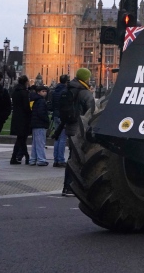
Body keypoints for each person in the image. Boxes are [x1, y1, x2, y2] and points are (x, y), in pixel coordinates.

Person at [61, 68, 97, 197]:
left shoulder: (69, 88)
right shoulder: (84, 92)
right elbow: (92, 111)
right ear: (85, 78)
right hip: (79, 129)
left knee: (72, 157)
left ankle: (68, 186)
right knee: (78, 159)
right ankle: (70, 186)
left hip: (70, 126)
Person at [9, 75, 31, 165]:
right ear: (26, 82)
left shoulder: (15, 91)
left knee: (20, 139)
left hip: (16, 116)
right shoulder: (24, 92)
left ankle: (16, 157)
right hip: (23, 118)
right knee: (22, 139)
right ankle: (25, 156)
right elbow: (26, 106)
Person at [29, 84, 50, 166]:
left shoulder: (36, 100)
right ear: (38, 92)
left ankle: (33, 159)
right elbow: (41, 113)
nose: (45, 93)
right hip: (40, 123)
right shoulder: (41, 101)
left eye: (45, 91)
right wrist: (46, 120)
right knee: (40, 143)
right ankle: (41, 159)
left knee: (35, 143)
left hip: (35, 123)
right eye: (43, 91)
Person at [51, 75, 69, 168]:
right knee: (62, 138)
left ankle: (56, 159)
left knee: (57, 138)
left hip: (56, 115)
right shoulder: (65, 91)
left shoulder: (55, 91)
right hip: (62, 116)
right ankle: (61, 160)